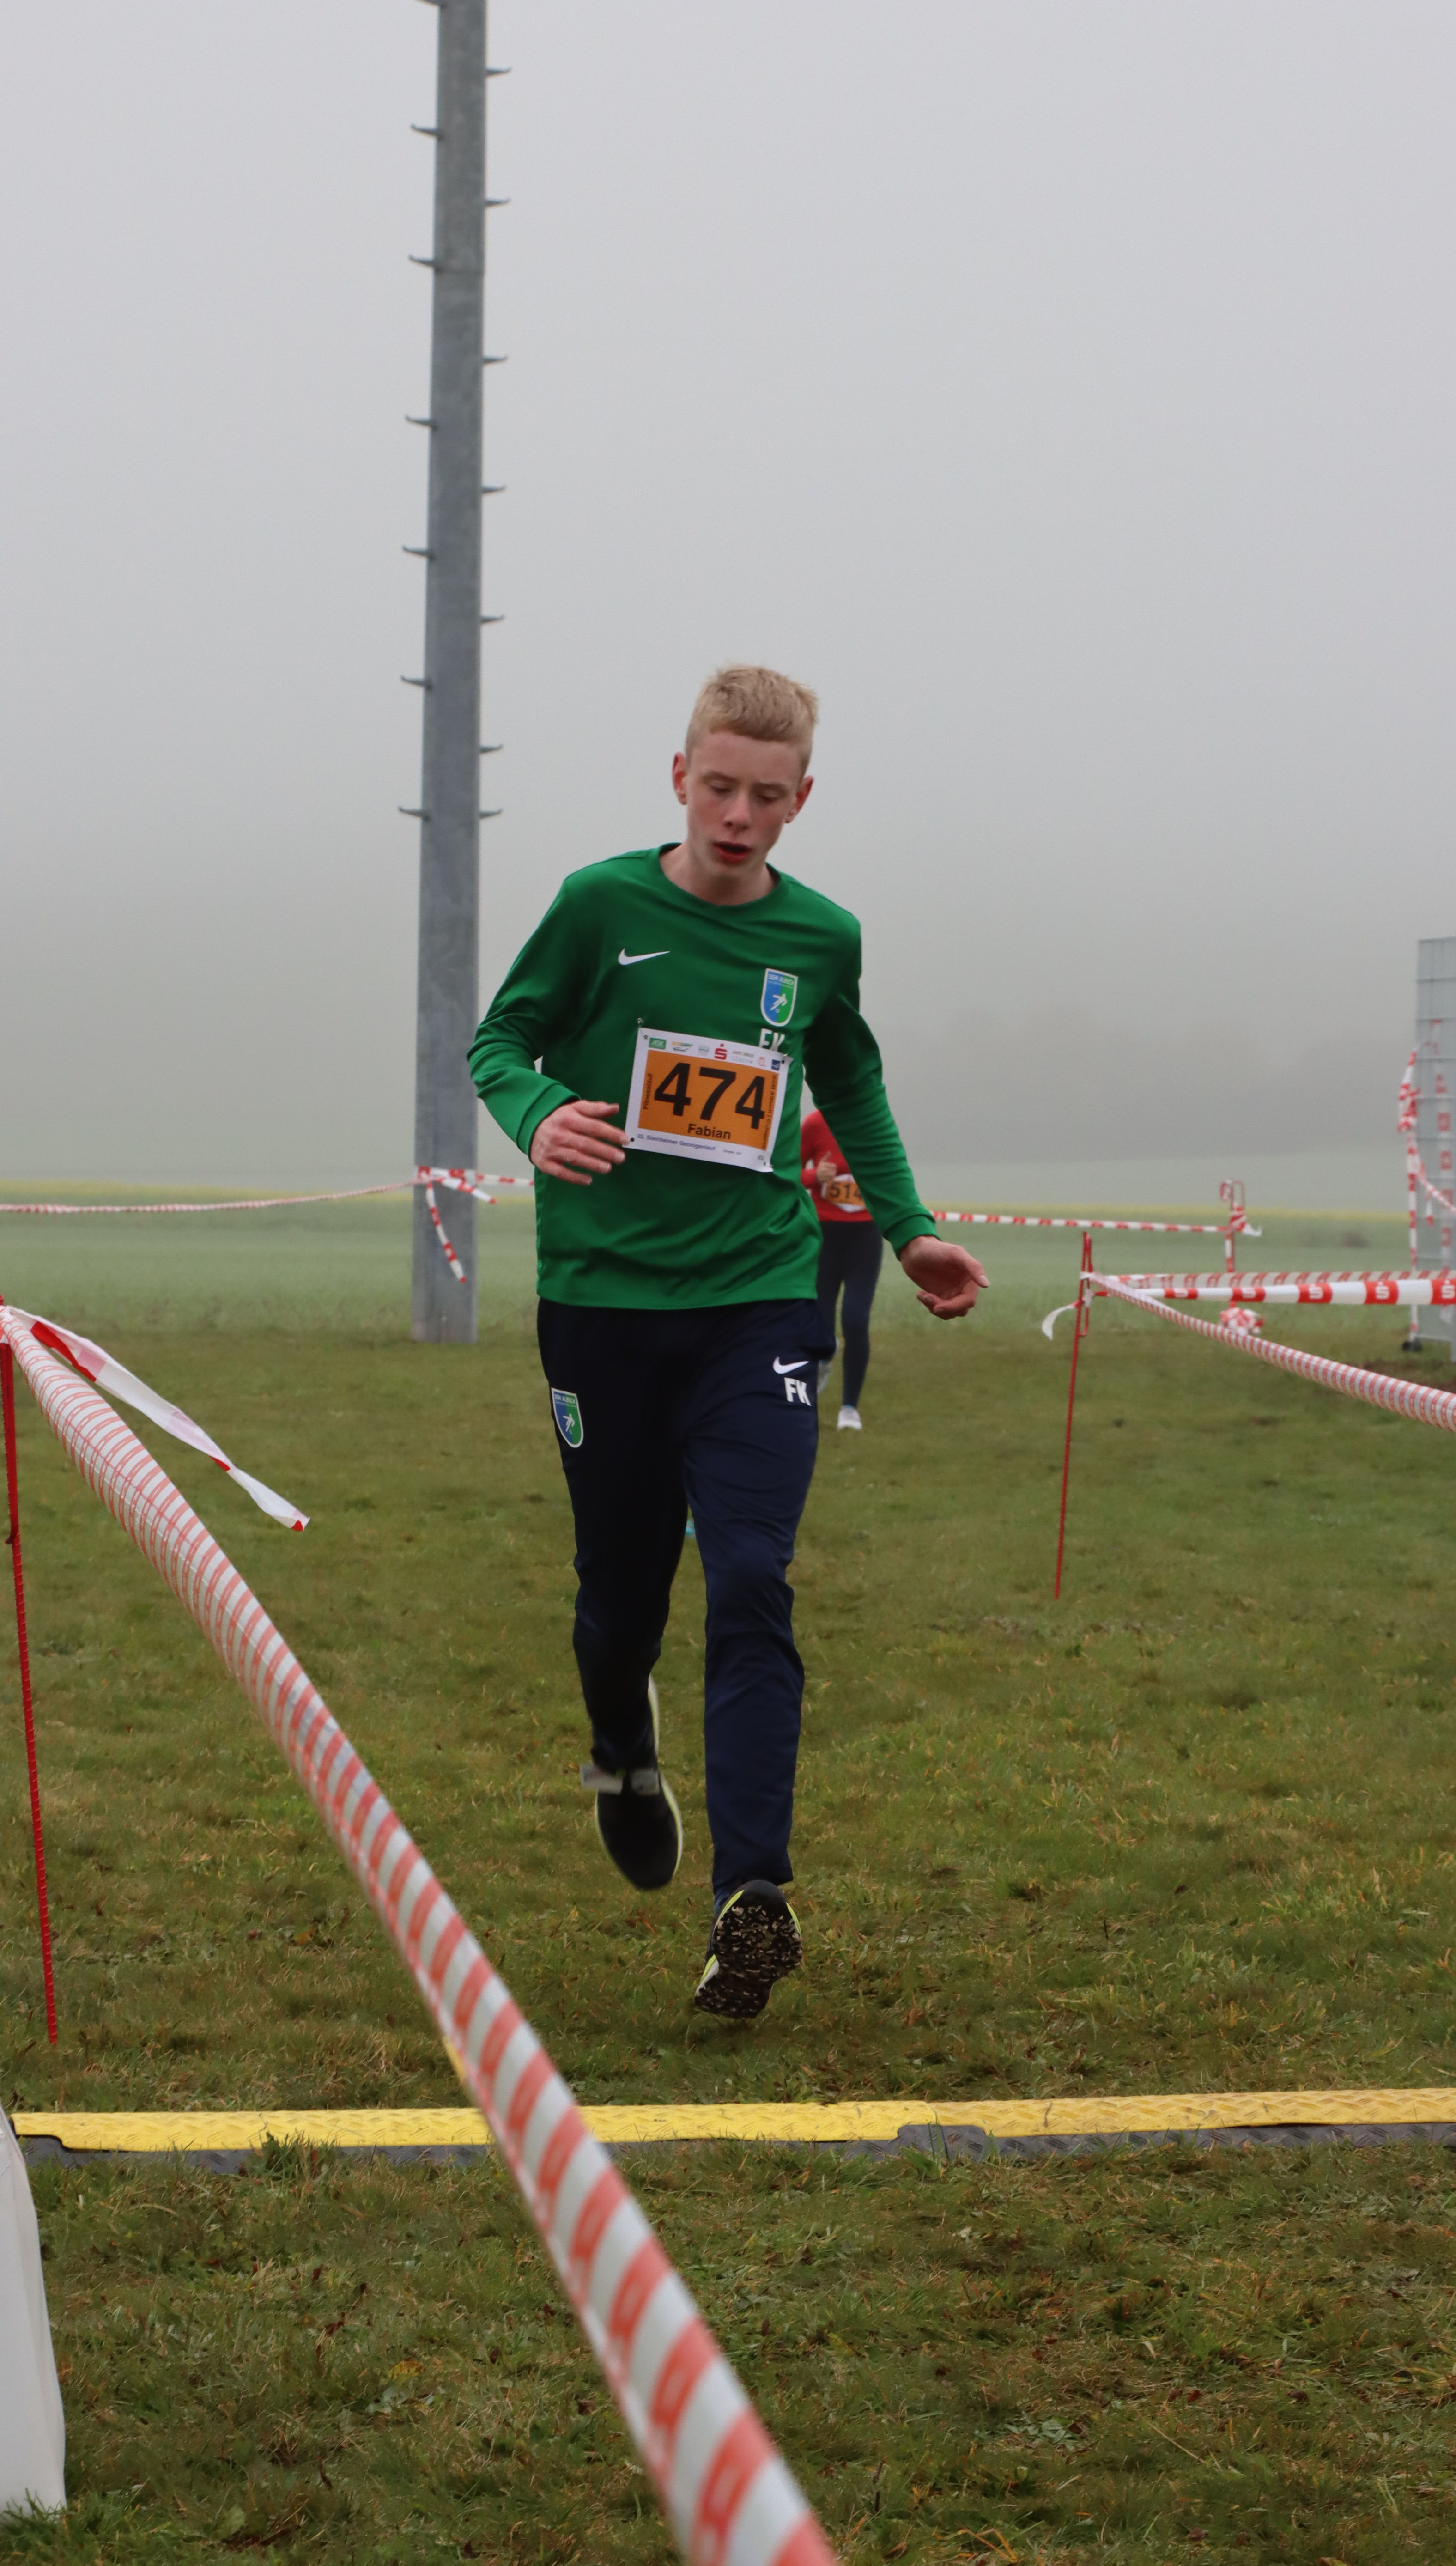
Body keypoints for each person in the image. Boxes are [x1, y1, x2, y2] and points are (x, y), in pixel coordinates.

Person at [468, 666, 988, 2019]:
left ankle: (751, 1897)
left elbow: (848, 1072)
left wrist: (910, 1228)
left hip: (757, 1302)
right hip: (602, 1306)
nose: (738, 814)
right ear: (678, 778)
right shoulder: (598, 905)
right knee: (619, 1600)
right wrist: (536, 1115)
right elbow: (501, 1039)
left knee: (751, 1572)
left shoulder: (820, 937)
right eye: (717, 787)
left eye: (766, 794)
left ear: (800, 797)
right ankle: (620, 1746)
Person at [800, 1105, 882, 1430]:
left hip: (865, 1237)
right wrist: (813, 1177)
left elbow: (891, 1173)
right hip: (824, 1236)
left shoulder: (874, 1117)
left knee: (856, 1320)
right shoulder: (815, 1123)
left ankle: (849, 1408)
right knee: (820, 1323)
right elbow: (785, 1170)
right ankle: (823, 1358)